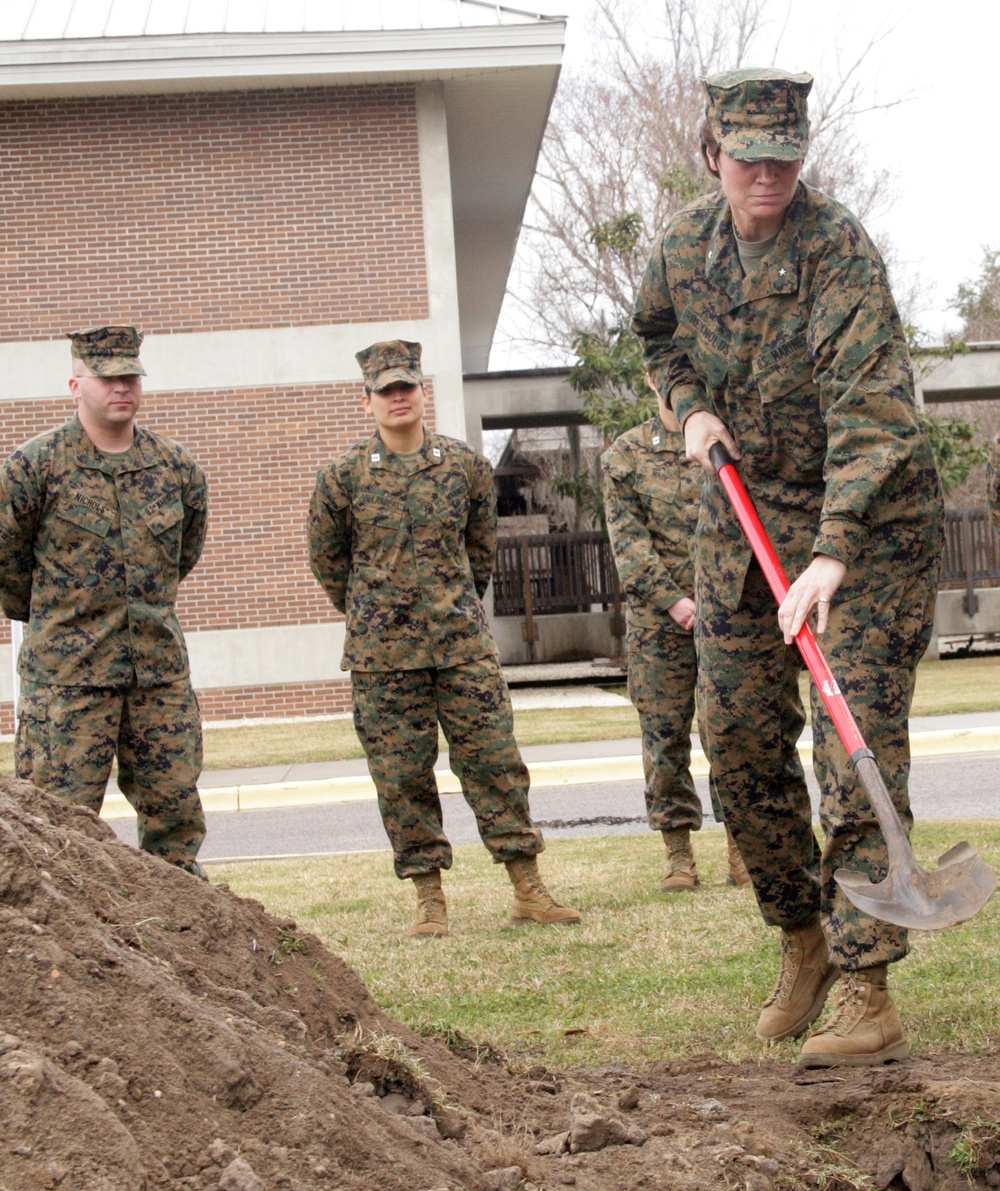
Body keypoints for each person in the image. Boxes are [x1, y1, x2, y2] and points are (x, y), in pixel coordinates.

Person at [631, 69, 944, 1067]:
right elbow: (656, 337)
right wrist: (688, 408)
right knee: (734, 742)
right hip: (744, 510)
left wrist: (833, 551)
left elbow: (874, 411)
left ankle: (865, 986)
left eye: (784, 156)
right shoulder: (681, 247)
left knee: (850, 740)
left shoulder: (836, 248)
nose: (767, 175)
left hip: (869, 522)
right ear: (713, 155)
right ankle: (801, 941)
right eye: (748, 156)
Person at [307, 340, 580, 937]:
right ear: (367, 401)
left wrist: (451, 604)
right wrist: (373, 614)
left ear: (423, 391)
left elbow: (480, 552)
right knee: (401, 775)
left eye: (407, 386)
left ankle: (527, 889)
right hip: (383, 658)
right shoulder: (341, 479)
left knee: (494, 762)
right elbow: (329, 564)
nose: (397, 397)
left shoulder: (464, 467)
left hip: (461, 647)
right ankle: (429, 901)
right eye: (386, 391)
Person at [0, 326, 209, 877]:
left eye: (131, 376)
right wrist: (59, 621)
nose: (123, 387)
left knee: (175, 821)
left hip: (155, 676)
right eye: (109, 377)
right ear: (75, 384)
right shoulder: (33, 468)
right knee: (57, 830)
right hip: (67, 680)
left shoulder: (176, 469)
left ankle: (179, 936)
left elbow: (181, 558)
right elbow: (8, 565)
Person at [601, 375, 750, 891]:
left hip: (728, 616)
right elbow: (628, 543)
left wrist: (719, 598)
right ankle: (679, 854)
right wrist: (675, 601)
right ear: (649, 378)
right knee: (663, 738)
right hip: (657, 623)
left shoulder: (724, 441)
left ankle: (742, 849)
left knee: (729, 732)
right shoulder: (626, 455)